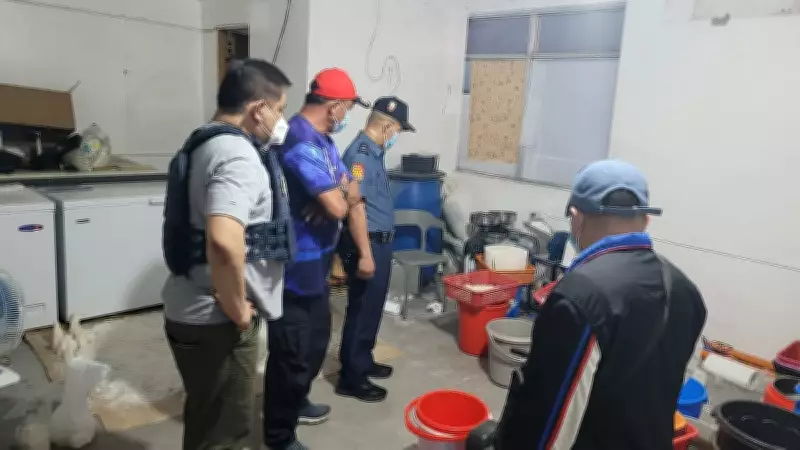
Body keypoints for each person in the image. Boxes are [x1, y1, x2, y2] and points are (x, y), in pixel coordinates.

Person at [491, 160, 707, 450]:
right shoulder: (685, 289)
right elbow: (676, 382)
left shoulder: (580, 296)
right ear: (646, 220)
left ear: (576, 218)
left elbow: (550, 422)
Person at [160, 58, 293, 450]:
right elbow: (223, 239)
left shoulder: (203, 141)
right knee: (225, 434)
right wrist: (237, 309)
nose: (281, 120)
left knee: (206, 418)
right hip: (216, 320)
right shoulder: (237, 155)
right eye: (280, 110)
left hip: (190, 305)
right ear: (258, 109)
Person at [263, 68, 372, 450]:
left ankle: (297, 402)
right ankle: (278, 436)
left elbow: (350, 188)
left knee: (314, 344)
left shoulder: (323, 142)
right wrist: (336, 196)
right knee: (290, 354)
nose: (346, 116)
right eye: (348, 109)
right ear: (335, 106)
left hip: (318, 267)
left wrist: (336, 193)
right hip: (294, 271)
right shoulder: (299, 139)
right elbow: (341, 206)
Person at [336, 96, 415, 402]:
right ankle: (351, 377)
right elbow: (355, 206)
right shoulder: (360, 156)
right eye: (398, 131)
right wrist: (366, 254)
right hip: (367, 243)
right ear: (387, 127)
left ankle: (363, 358)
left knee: (372, 307)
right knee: (362, 308)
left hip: (379, 241)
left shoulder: (374, 153)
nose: (397, 137)